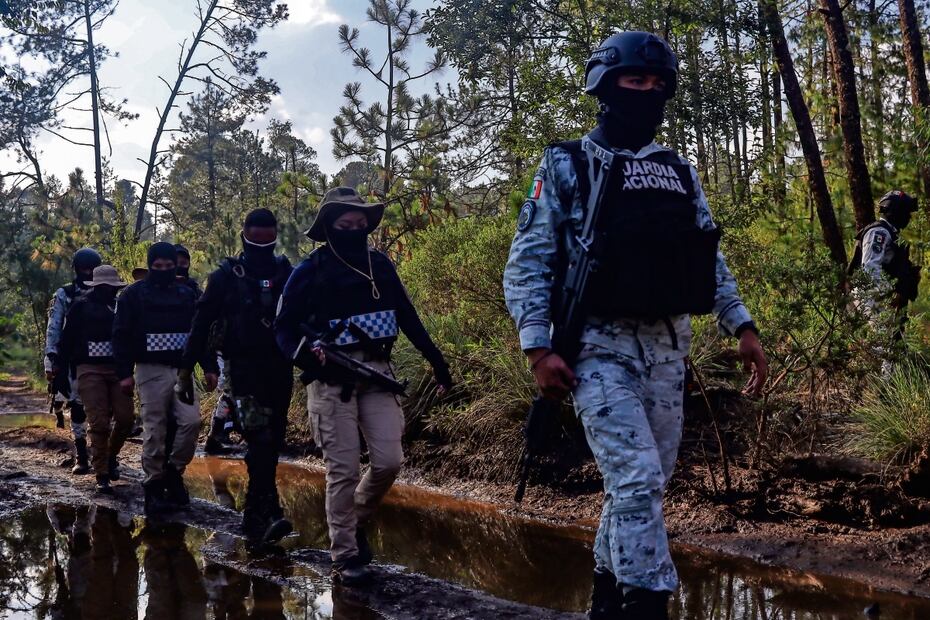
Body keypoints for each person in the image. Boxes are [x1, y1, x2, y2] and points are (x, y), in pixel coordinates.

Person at [503, 31, 768, 619]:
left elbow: (709, 258)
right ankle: (647, 606)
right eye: (634, 80)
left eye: (656, 83)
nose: (647, 91)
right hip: (596, 348)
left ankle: (605, 602)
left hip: (668, 349)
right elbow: (529, 260)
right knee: (638, 479)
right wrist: (538, 348)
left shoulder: (678, 170)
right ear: (605, 85)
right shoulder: (567, 162)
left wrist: (742, 326)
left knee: (640, 487)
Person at [275, 187, 453, 585]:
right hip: (330, 380)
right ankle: (345, 554)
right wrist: (309, 357)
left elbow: (407, 316)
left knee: (389, 462)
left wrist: (437, 362)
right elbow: (283, 329)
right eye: (346, 224)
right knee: (343, 469)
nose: (355, 229)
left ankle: (354, 520)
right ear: (329, 227)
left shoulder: (381, 265)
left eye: (360, 223)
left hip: (378, 373)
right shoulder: (309, 270)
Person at [180, 208, 295, 546]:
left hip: (280, 368)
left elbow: (305, 316)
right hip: (242, 370)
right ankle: (268, 511)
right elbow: (201, 323)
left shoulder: (286, 272)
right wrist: (187, 369)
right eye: (255, 239)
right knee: (259, 437)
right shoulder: (226, 276)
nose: (262, 245)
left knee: (273, 438)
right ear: (244, 236)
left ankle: (255, 511)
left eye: (268, 239)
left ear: (276, 237)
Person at [112, 241, 219, 515]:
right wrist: (124, 374)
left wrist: (209, 367)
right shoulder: (132, 295)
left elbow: (199, 335)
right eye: (158, 266)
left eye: (169, 266)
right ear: (150, 266)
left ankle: (173, 472)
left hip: (183, 372)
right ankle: (153, 485)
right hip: (149, 370)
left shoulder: (187, 295)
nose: (164, 270)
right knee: (155, 429)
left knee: (191, 422)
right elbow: (120, 336)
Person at [59, 265, 132, 495]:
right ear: (95, 286)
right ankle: (102, 473)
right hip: (89, 369)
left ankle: (110, 456)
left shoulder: (122, 306)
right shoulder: (80, 307)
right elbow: (66, 341)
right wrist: (61, 373)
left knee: (126, 419)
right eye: (104, 286)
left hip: (118, 369)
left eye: (112, 287)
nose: (108, 290)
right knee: (99, 422)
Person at [45, 247, 101, 475]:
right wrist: (52, 359)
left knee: (103, 408)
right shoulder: (65, 294)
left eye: (92, 269)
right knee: (77, 405)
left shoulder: (107, 292)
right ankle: (81, 453)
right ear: (77, 269)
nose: (88, 273)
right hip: (73, 358)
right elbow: (54, 327)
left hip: (102, 358)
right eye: (84, 269)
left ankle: (105, 455)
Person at [852, 190, 921, 370]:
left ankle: (886, 382)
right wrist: (890, 293)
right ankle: (883, 386)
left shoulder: (890, 233)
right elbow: (870, 269)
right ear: (896, 212)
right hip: (871, 296)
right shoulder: (879, 232)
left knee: (893, 345)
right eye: (906, 212)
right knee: (887, 348)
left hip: (878, 298)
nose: (908, 217)